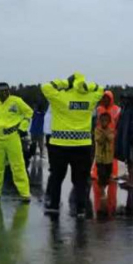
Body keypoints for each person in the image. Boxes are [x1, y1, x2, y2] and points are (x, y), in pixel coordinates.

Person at [41, 72, 104, 218]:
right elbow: (100, 89)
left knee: (57, 177)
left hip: (59, 145)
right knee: (80, 179)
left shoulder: (60, 97)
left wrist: (64, 83)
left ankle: (54, 205)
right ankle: (81, 208)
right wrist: (86, 86)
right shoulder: (90, 97)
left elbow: (46, 87)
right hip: (82, 145)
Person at [0, 83, 33, 202]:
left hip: (12, 136)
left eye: (7, 90)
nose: (5, 92)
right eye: (2, 90)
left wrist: (23, 128)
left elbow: (29, 112)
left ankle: (25, 194)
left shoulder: (16, 101)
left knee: (18, 165)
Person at [93, 113, 116, 217]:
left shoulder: (111, 130)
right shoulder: (97, 130)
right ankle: (102, 194)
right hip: (100, 158)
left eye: (106, 121)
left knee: (107, 175)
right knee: (101, 175)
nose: (104, 123)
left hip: (108, 159)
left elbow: (111, 138)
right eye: (102, 121)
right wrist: (104, 134)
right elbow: (99, 140)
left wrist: (106, 134)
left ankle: (104, 189)